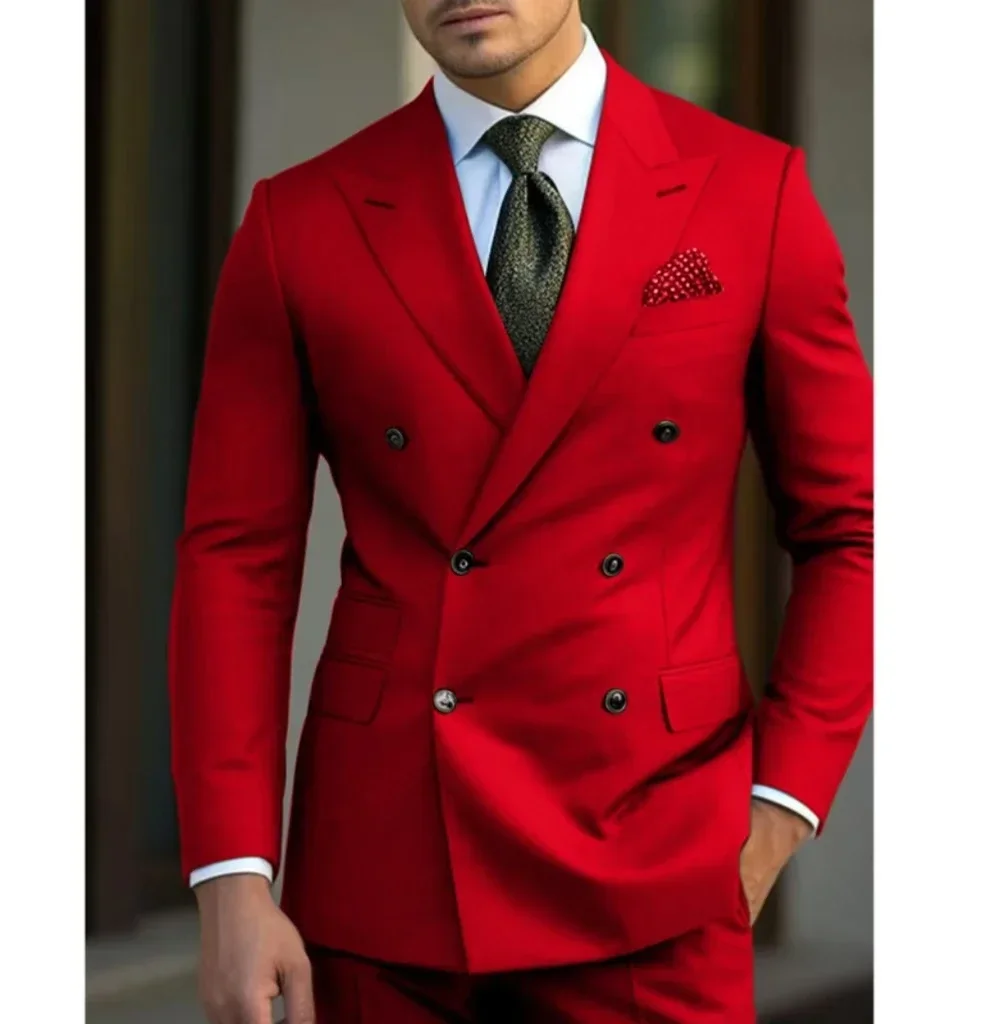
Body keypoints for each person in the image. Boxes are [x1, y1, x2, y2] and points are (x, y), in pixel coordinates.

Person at [169, 1, 873, 1021]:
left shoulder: (748, 190)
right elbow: (235, 560)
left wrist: (782, 805)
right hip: (388, 874)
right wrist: (232, 873)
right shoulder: (303, 218)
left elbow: (852, 529)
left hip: (659, 866)